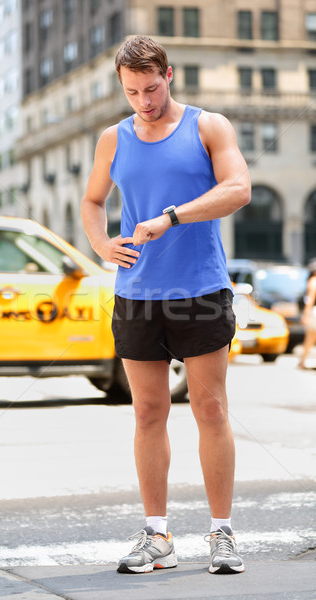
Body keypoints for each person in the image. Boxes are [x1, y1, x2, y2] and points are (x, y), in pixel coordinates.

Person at [81, 35, 251, 575]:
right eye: (132, 92)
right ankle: (158, 535)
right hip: (136, 294)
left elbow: (239, 188)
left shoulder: (208, 126)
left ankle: (221, 533)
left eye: (151, 88)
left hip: (200, 290)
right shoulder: (113, 138)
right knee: (148, 412)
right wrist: (102, 244)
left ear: (169, 75)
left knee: (211, 409)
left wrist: (172, 216)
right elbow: (91, 200)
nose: (144, 101)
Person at [299, 260, 316, 369]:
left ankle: (303, 361)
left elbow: (309, 300)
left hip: (314, 312)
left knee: (309, 338)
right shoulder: (313, 281)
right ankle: (302, 361)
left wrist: (305, 314)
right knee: (310, 338)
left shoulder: (312, 281)